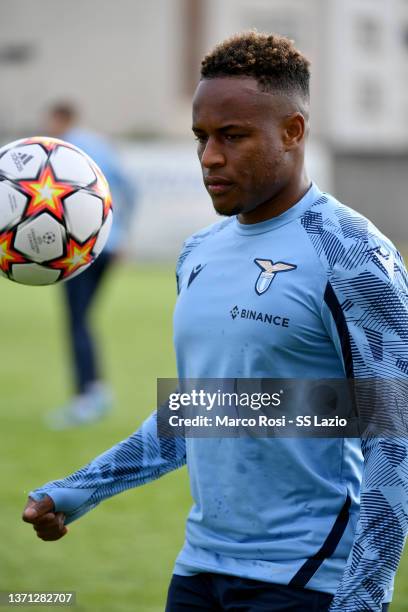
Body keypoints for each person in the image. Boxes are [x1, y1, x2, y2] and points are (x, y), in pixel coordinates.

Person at [22, 32, 408, 611]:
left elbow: (394, 433)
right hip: (200, 571)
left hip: (308, 580)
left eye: (233, 136)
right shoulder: (198, 252)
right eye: (201, 138)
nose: (209, 158)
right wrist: (78, 491)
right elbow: (205, 408)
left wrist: (361, 598)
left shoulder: (352, 257)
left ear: (293, 131)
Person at [44, 102, 137, 429]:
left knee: (78, 321)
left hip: (78, 251)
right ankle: (95, 391)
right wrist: (123, 231)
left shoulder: (62, 151)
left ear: (59, 119)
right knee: (84, 319)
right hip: (107, 245)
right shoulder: (100, 145)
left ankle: (87, 396)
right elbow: (130, 187)